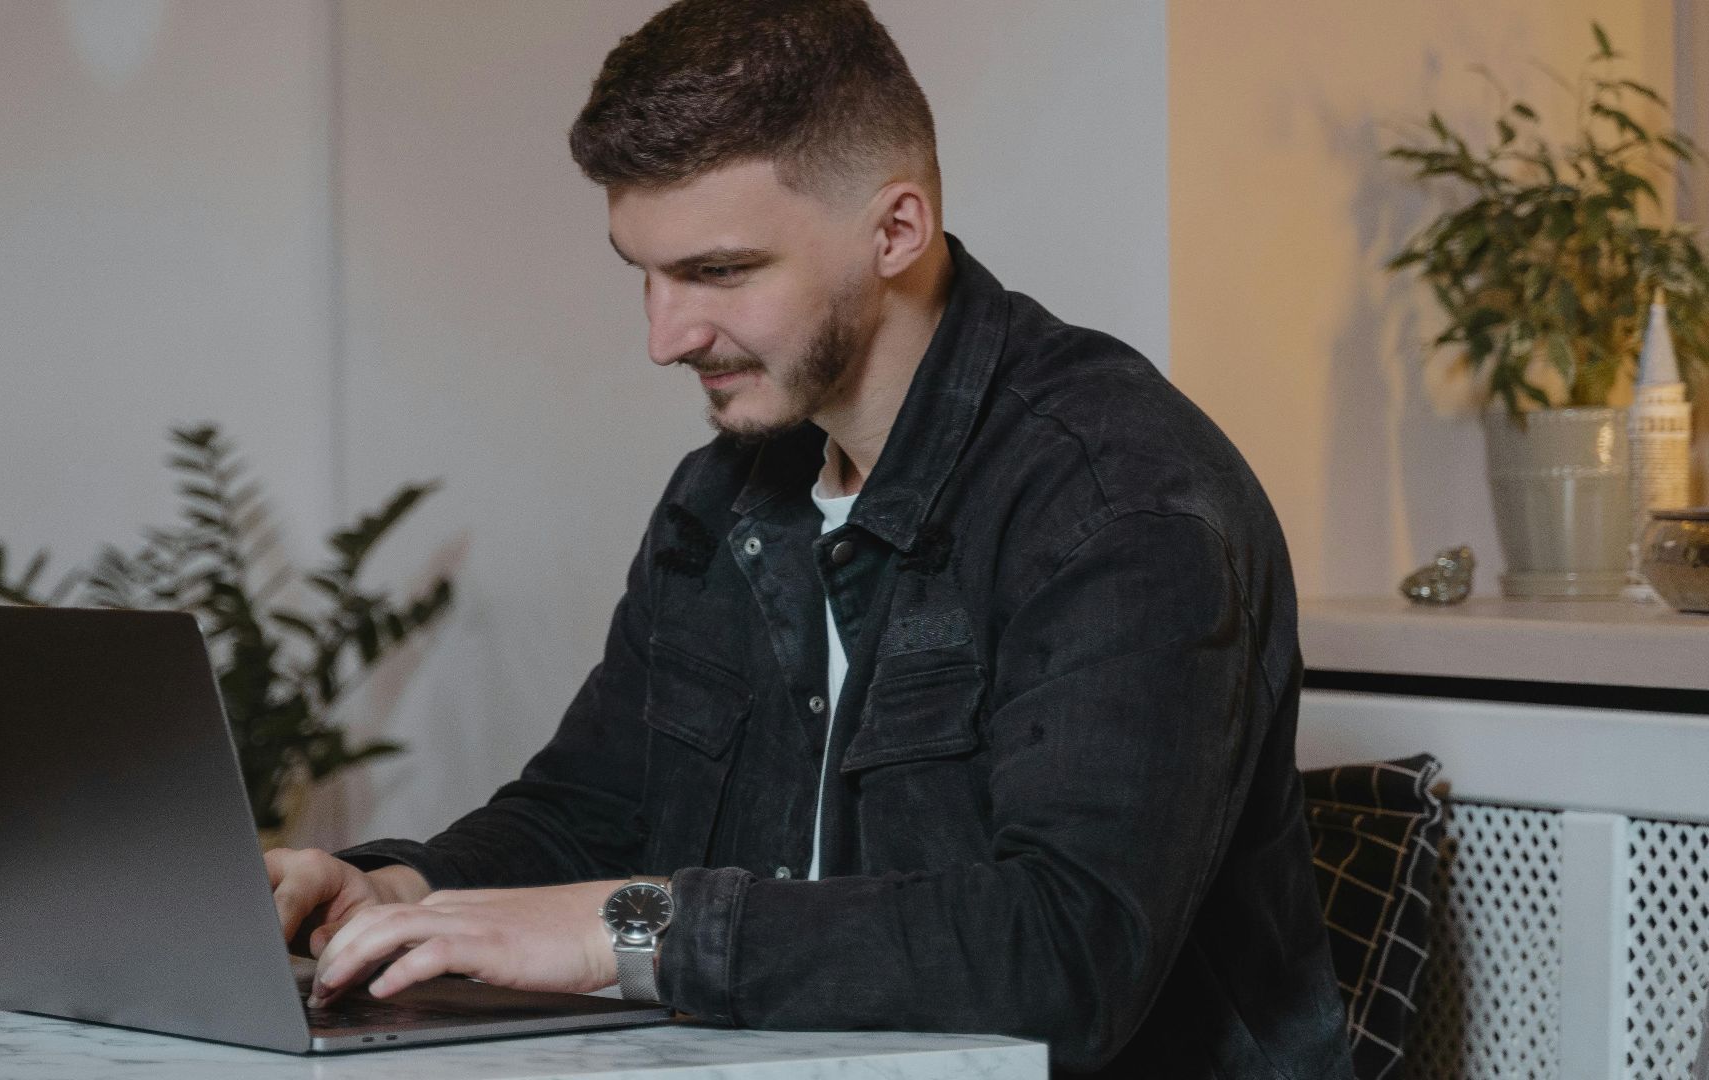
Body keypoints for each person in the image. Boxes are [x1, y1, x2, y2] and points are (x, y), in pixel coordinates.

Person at [267, 1, 1355, 1075]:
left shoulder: (1119, 502)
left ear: (896, 230)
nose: (665, 336)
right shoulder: (726, 493)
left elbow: (1068, 954)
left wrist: (633, 927)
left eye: (719, 272)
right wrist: (403, 891)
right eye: (642, 272)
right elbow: (592, 809)